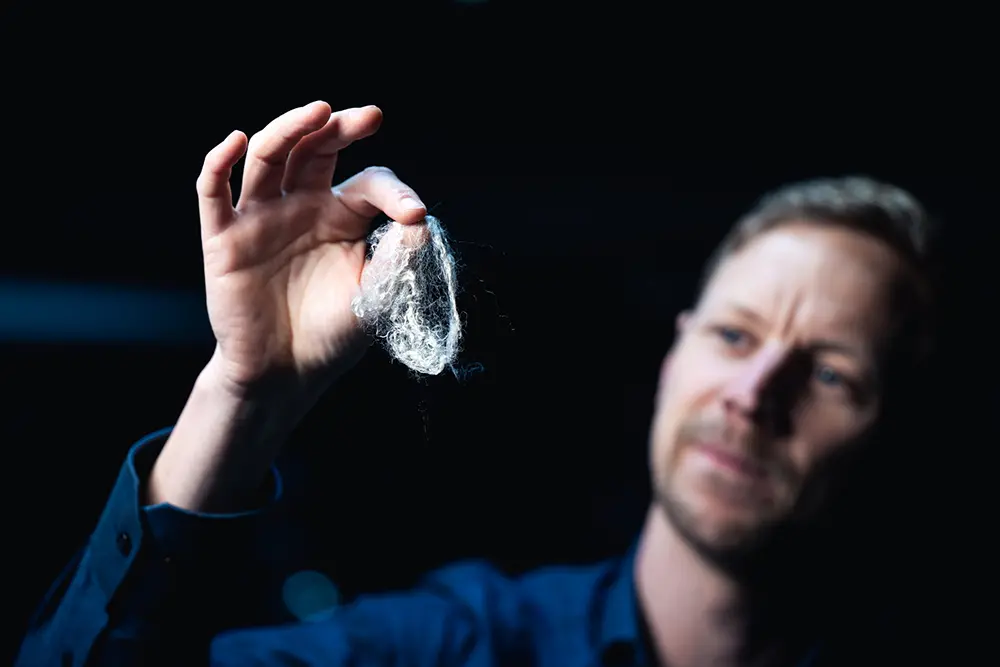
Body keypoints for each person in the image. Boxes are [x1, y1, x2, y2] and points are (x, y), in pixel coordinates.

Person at [17, 102, 938, 667]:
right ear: (677, 352)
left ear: (895, 425)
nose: (753, 392)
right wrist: (245, 394)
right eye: (734, 335)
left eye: (830, 372)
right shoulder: (454, 646)